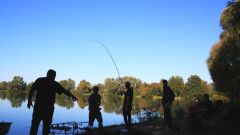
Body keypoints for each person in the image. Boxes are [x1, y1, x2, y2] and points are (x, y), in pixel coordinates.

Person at [27, 69, 78, 135]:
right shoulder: (54, 83)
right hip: (48, 109)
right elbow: (64, 91)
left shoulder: (39, 80)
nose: (54, 77)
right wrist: (72, 96)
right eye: (54, 76)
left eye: (55, 76)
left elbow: (31, 90)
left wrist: (29, 101)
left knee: (35, 126)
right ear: (49, 74)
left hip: (39, 107)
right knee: (46, 127)